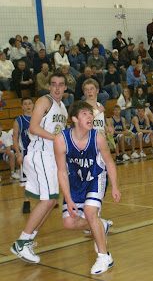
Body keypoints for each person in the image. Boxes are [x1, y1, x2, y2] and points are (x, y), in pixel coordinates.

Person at [54, 101, 121, 275]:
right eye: (84, 114)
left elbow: (109, 163)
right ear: (74, 119)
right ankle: (100, 225)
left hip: (96, 177)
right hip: (75, 181)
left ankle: (104, 256)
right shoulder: (61, 140)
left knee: (91, 213)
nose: (90, 117)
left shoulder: (98, 137)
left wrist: (115, 186)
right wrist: (68, 199)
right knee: (69, 222)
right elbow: (61, 172)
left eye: (90, 114)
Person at [10, 72, 68, 264]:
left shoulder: (63, 108)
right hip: (40, 155)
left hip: (51, 157)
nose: (57, 88)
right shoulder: (45, 101)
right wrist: (57, 139)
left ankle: (27, 240)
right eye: (54, 84)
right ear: (49, 86)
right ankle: (21, 242)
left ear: (65, 87)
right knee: (47, 201)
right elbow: (33, 127)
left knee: (51, 202)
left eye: (61, 85)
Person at [13, 97, 34, 213]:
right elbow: (15, 139)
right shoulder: (19, 120)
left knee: (41, 177)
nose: (28, 106)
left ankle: (45, 200)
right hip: (26, 153)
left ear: (33, 105)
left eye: (30, 103)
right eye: (25, 104)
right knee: (26, 180)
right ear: (22, 106)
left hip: (39, 152)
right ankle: (26, 202)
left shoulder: (40, 118)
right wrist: (18, 154)